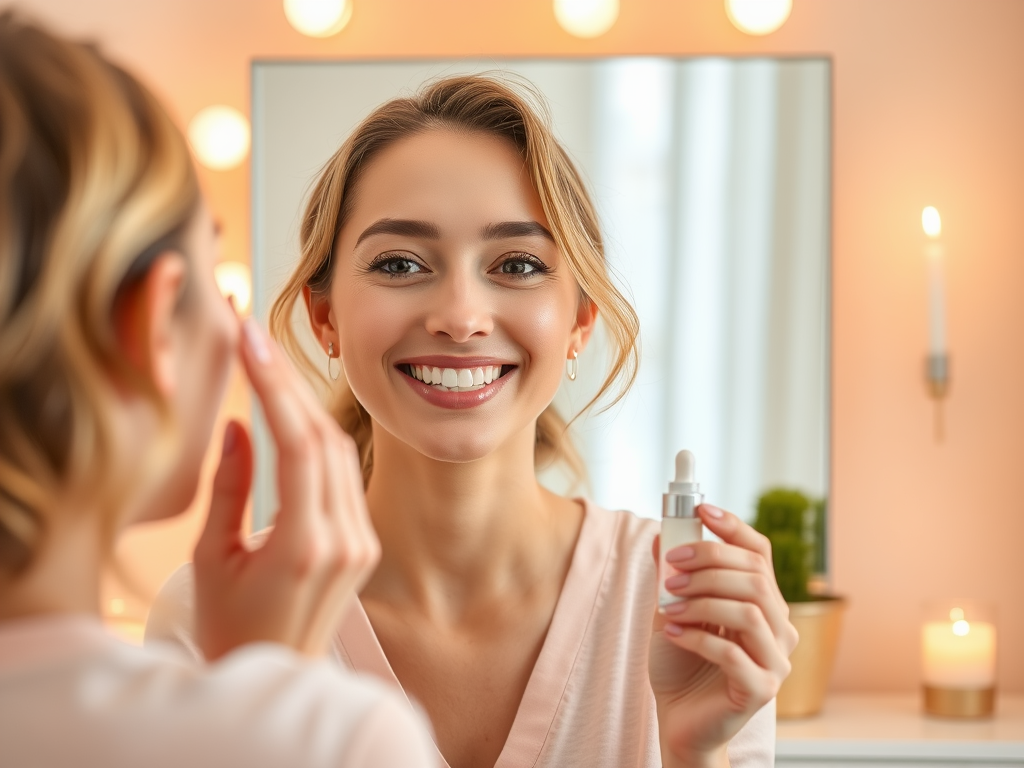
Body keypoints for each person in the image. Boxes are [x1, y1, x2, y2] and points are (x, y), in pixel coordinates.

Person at [148, 75, 799, 768]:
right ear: (325, 317)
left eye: (517, 264)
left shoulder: (685, 613)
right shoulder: (213, 621)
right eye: (400, 263)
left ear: (580, 322)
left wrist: (694, 752)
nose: (460, 317)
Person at [0, 12, 435, 767]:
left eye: (517, 264)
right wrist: (277, 707)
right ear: (151, 324)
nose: (459, 319)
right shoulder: (335, 742)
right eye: (213, 271)